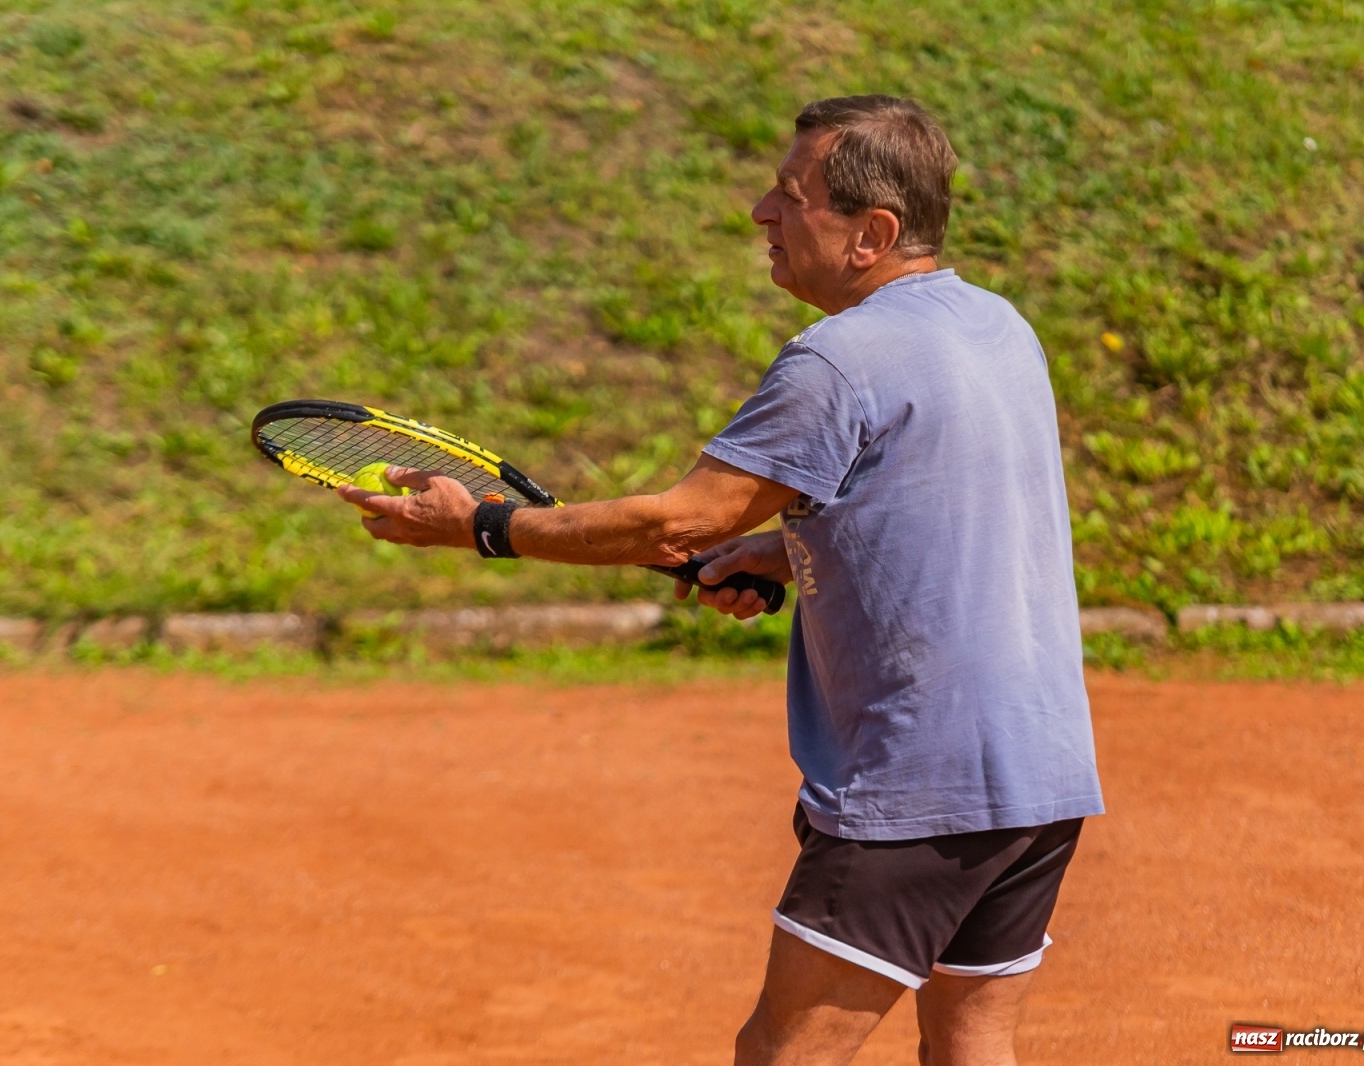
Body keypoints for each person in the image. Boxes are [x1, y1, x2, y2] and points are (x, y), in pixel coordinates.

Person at [337, 94, 1104, 1066]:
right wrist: (782, 552)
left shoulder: (841, 355)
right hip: (1040, 768)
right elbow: (947, 514)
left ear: (872, 233)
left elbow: (680, 519)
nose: (760, 213)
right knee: (970, 1034)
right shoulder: (996, 328)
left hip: (920, 779)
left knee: (785, 1052)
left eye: (791, 196)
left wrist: (482, 527)